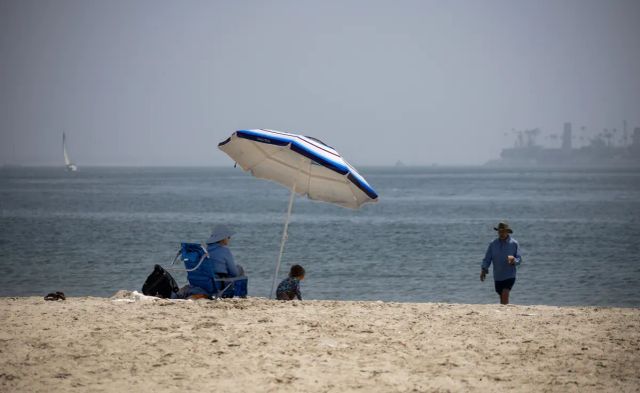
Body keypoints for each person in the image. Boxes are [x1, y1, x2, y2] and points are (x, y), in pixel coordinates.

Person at [186, 224, 240, 298]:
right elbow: (234, 273)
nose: (229, 238)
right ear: (222, 238)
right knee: (239, 269)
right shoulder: (225, 251)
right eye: (228, 237)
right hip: (216, 285)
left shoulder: (205, 251)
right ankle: (241, 295)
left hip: (202, 283)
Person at [480, 221, 522, 305]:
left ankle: (505, 312)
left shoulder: (514, 244)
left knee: (505, 293)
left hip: (509, 275)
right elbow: (487, 258)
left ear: (507, 232)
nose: (501, 233)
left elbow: (519, 259)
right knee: (501, 295)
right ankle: (503, 312)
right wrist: (484, 269)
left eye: (503, 231)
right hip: (498, 276)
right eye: (499, 231)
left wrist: (514, 260)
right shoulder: (493, 244)